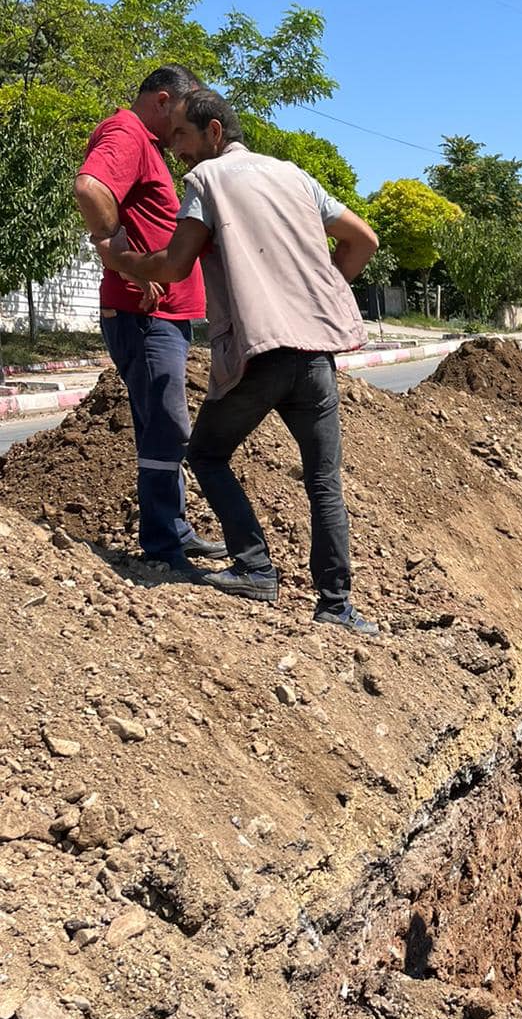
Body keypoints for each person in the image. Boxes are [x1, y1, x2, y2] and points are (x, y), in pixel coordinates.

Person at [97, 89, 380, 635]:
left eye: (180, 134)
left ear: (214, 134)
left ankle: (254, 567)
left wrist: (121, 258)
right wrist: (319, 293)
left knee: (205, 454)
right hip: (315, 355)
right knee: (324, 481)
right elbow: (362, 240)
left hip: (260, 354)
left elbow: (176, 267)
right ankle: (336, 606)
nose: (173, 146)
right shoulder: (295, 176)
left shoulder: (207, 182)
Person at [74, 64, 225, 571]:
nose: (183, 131)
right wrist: (122, 261)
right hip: (144, 314)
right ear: (163, 101)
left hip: (161, 314)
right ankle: (163, 546)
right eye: (181, 118)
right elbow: (91, 188)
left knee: (161, 425)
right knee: (167, 423)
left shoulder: (146, 145)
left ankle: (173, 529)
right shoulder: (128, 133)